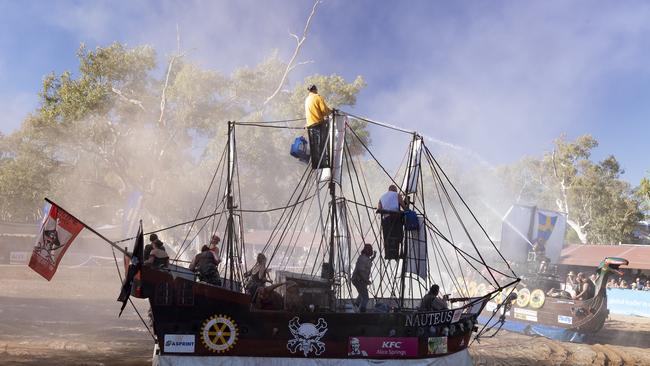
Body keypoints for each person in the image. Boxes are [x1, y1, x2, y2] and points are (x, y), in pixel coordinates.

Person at [304, 84, 331, 169]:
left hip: (310, 125)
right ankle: (322, 163)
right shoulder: (317, 97)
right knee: (322, 144)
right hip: (318, 124)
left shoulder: (307, 100)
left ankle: (316, 162)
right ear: (315, 89)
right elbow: (324, 111)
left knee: (314, 145)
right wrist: (331, 111)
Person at [377, 185, 407, 260]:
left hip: (386, 221)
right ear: (395, 190)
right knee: (398, 236)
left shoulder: (382, 197)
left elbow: (379, 209)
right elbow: (404, 207)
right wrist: (407, 204)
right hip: (396, 220)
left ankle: (388, 254)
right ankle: (401, 251)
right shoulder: (397, 195)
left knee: (388, 238)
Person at [351, 244, 376, 313]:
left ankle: (356, 306)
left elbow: (367, 263)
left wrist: (373, 258)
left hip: (359, 280)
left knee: (361, 294)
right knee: (365, 298)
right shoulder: (362, 259)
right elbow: (360, 271)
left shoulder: (364, 258)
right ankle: (362, 310)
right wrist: (366, 280)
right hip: (359, 280)